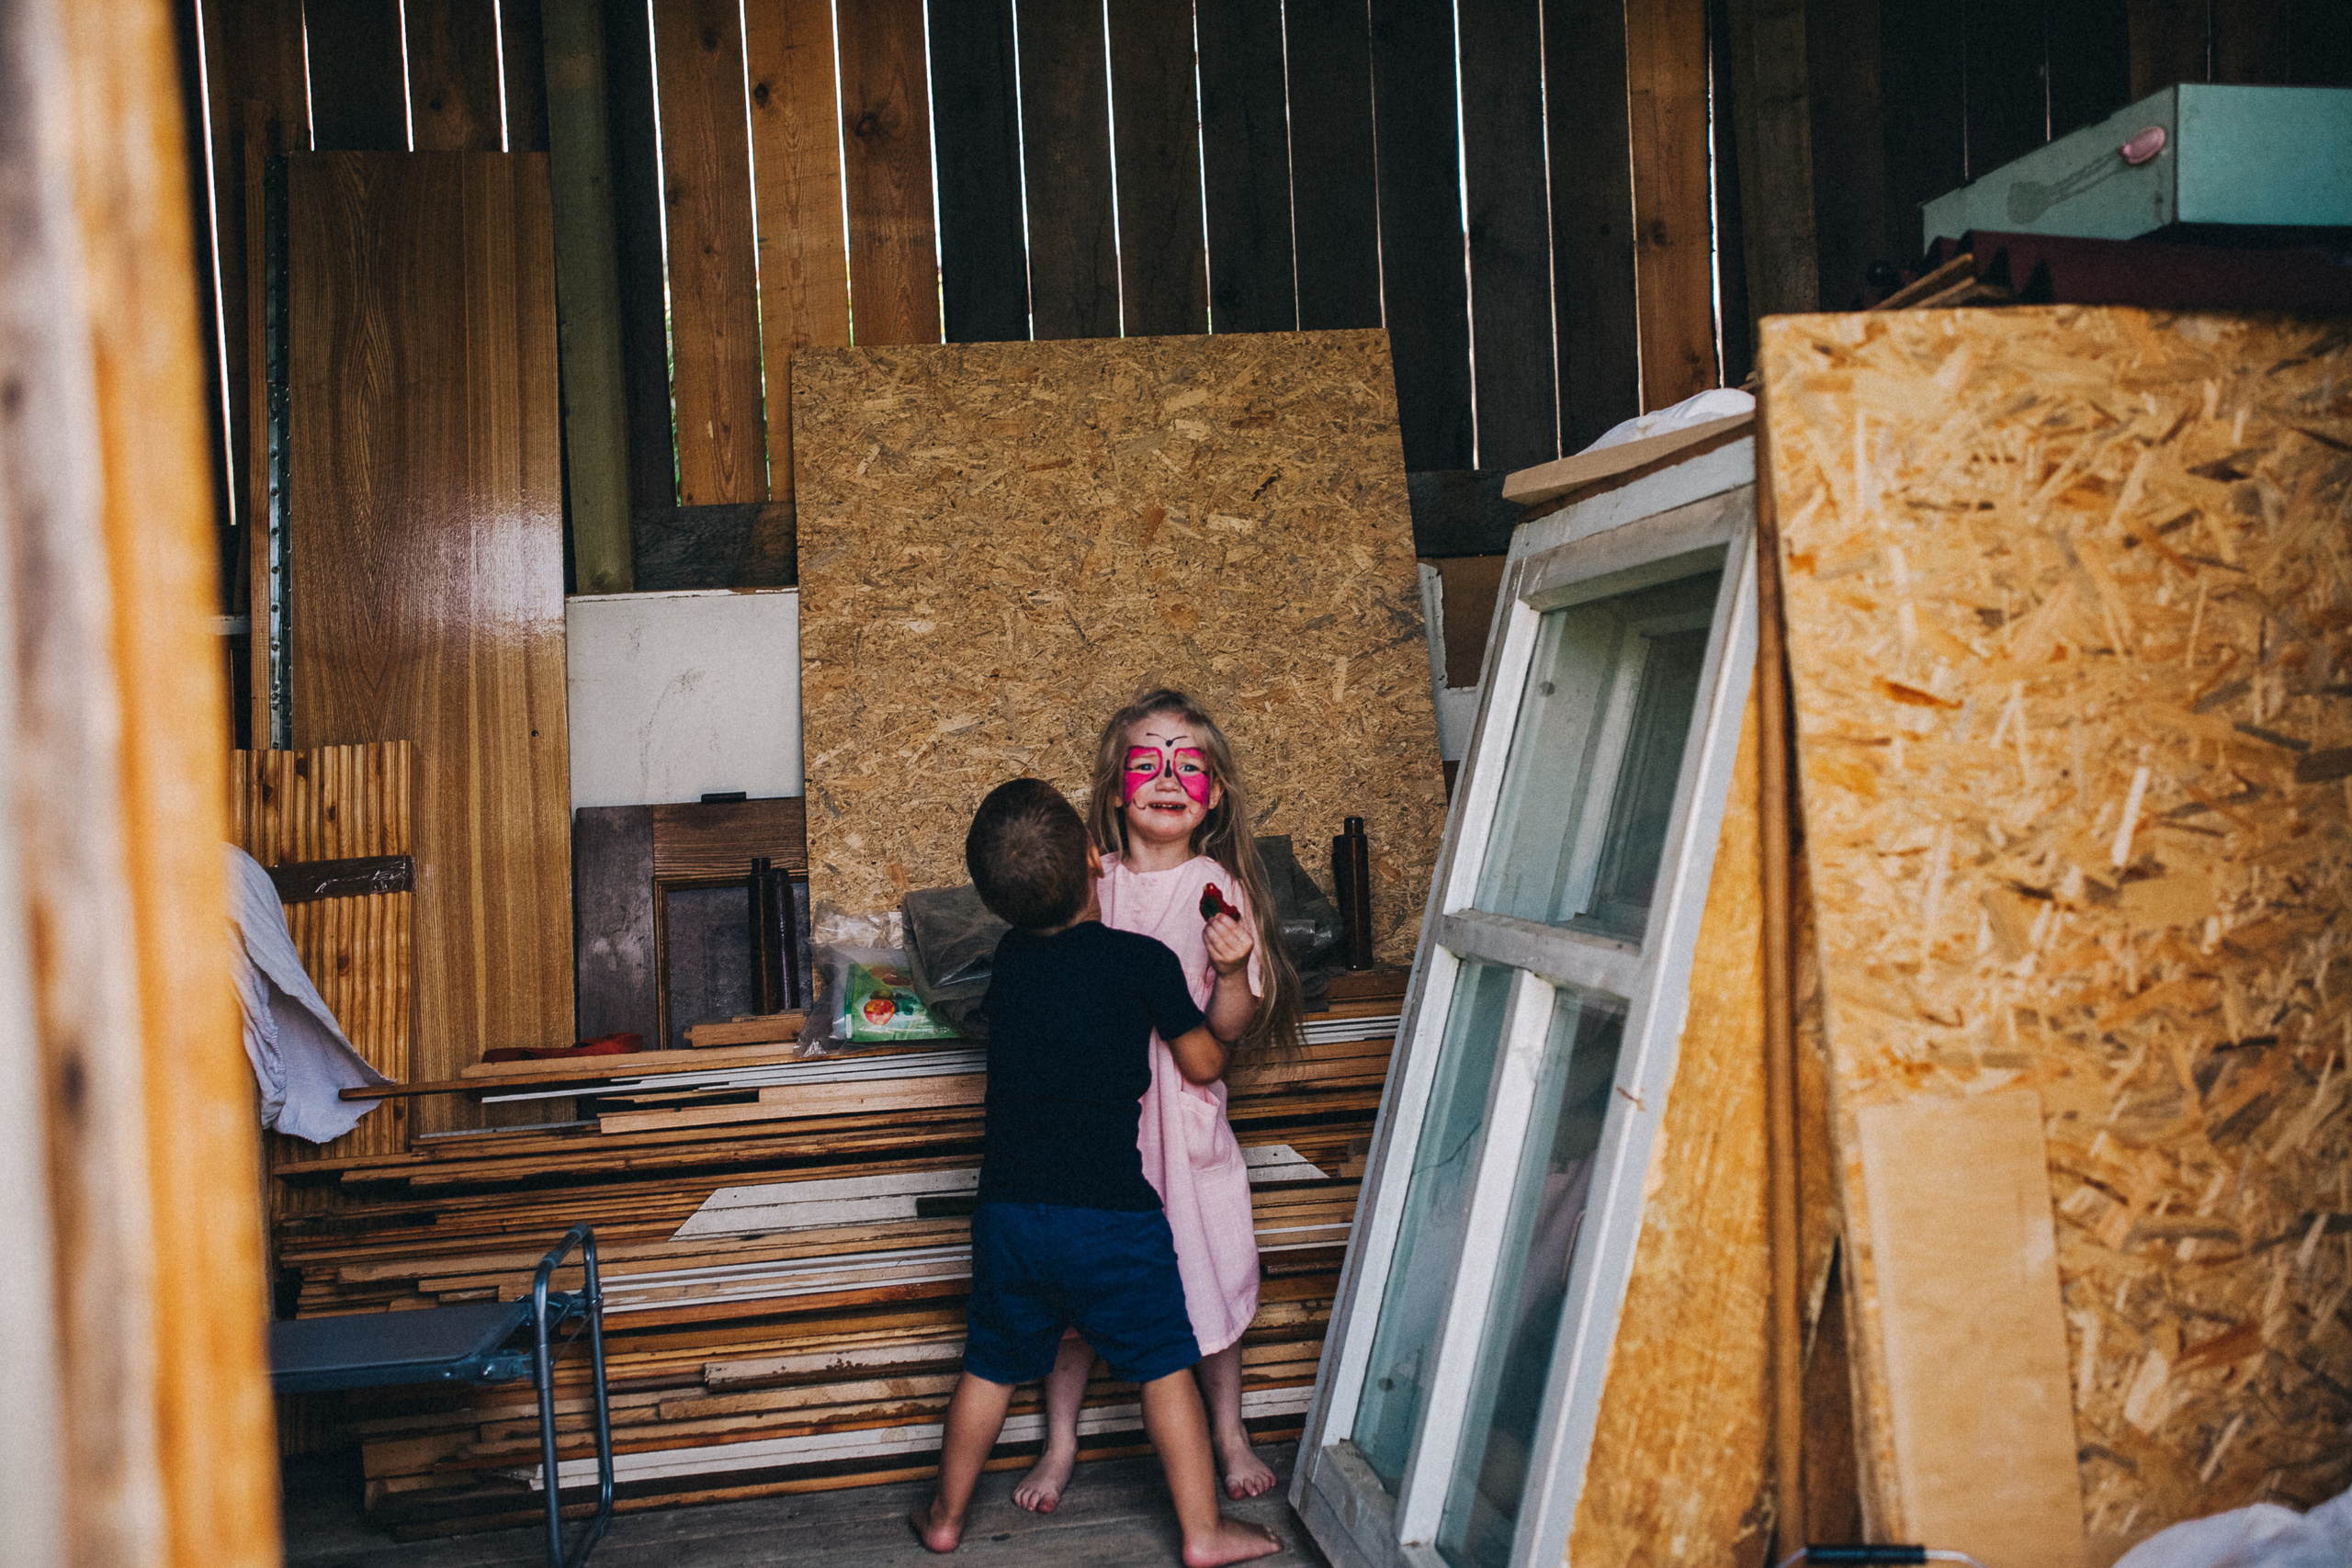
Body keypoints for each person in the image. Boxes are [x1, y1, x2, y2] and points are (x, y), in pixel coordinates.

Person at [909, 777, 1280, 1567]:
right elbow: (1208, 1060)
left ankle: (944, 1516)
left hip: (1009, 1214)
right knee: (1163, 1365)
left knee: (988, 1365)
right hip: (1111, 1214)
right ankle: (1204, 1529)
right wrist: (1227, 969)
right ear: (1093, 856)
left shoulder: (1009, 961)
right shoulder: (1140, 960)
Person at [1015, 689, 1306, 1513]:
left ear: (1211, 792)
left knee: (1201, 1273)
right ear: (1115, 788)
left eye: (1189, 764)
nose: (1169, 777)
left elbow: (1229, 1029)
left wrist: (1227, 967)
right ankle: (1060, 1440)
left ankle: (1229, 1433)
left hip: (1182, 1117)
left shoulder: (1218, 889)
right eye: (1149, 760)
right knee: (1078, 1293)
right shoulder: (1089, 883)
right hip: (1101, 1122)